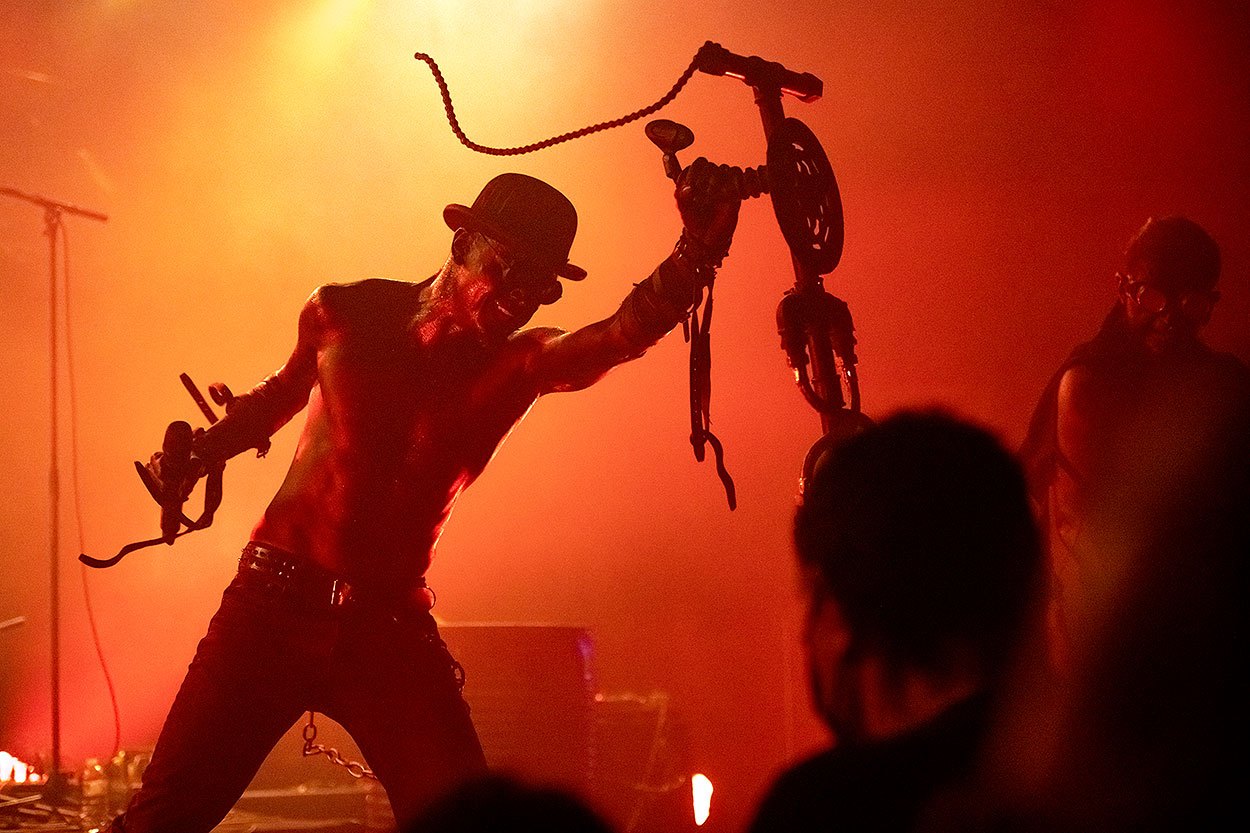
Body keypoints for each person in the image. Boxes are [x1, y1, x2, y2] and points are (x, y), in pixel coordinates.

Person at [109, 163, 744, 833]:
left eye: (537, 286)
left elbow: (619, 334)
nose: (519, 297)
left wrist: (694, 254)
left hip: (387, 631)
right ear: (461, 244)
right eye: (507, 269)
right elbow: (281, 394)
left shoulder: (520, 364)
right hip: (270, 606)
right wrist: (203, 452)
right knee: (161, 822)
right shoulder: (341, 312)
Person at [746, 410, 1043, 833]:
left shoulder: (821, 810)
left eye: (809, 600)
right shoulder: (1109, 776)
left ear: (838, 612)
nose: (803, 636)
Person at [1018, 215, 1250, 671]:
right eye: (1152, 296)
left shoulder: (1221, 383)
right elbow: (1085, 530)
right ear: (1122, 288)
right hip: (1100, 633)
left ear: (1210, 303)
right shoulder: (1088, 385)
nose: (1168, 317)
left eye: (1189, 301)